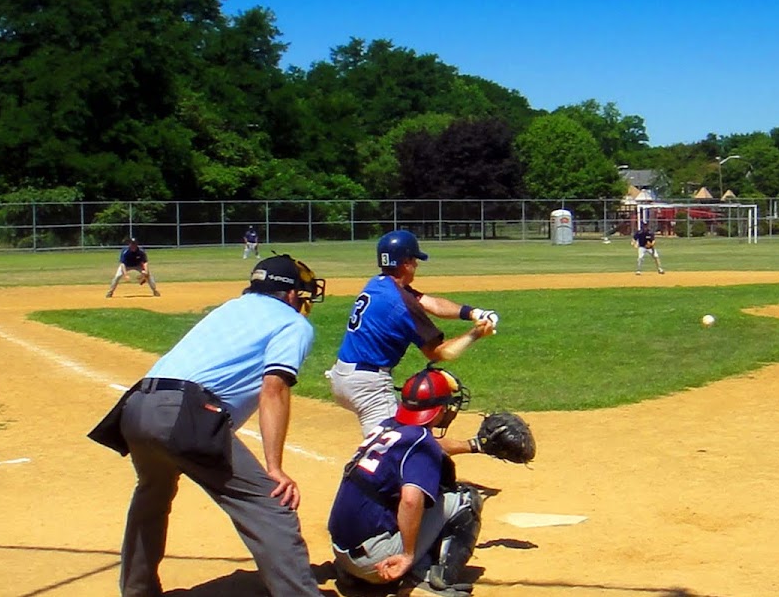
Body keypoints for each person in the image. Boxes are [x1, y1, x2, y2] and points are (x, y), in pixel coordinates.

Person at [104, 254, 327, 596]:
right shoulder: (292, 323)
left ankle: (137, 590)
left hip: (136, 405)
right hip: (183, 414)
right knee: (270, 506)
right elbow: (274, 388)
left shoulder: (229, 308)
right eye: (303, 295)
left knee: (152, 494)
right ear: (292, 294)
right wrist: (275, 467)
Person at [329, 229, 497, 455]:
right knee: (403, 445)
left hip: (343, 376)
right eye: (415, 260)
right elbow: (439, 353)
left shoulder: (380, 283)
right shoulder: (401, 304)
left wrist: (474, 313)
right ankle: (474, 446)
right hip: (367, 386)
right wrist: (476, 334)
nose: (417, 265)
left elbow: (433, 304)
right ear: (406, 263)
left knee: (399, 440)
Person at [329, 366, 484, 597]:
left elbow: (429, 447)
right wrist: (408, 554)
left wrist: (475, 445)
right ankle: (429, 582)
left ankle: (352, 573)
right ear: (439, 409)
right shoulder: (422, 443)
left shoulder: (388, 426)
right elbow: (411, 501)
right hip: (378, 562)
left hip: (342, 552)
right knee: (464, 499)